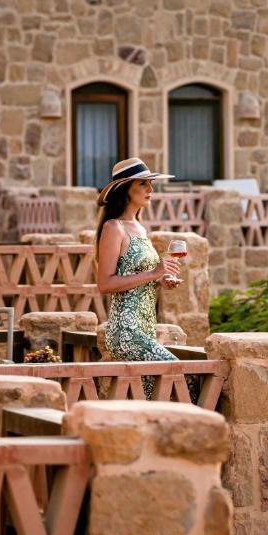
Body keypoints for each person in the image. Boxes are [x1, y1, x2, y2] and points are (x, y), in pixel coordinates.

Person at [94, 157, 193, 400]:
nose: (150, 189)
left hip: (146, 328)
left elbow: (136, 276)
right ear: (125, 190)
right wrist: (153, 273)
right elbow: (105, 284)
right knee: (179, 377)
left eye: (151, 184)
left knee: (154, 397)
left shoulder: (139, 227)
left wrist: (160, 280)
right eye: (143, 184)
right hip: (126, 331)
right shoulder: (113, 228)